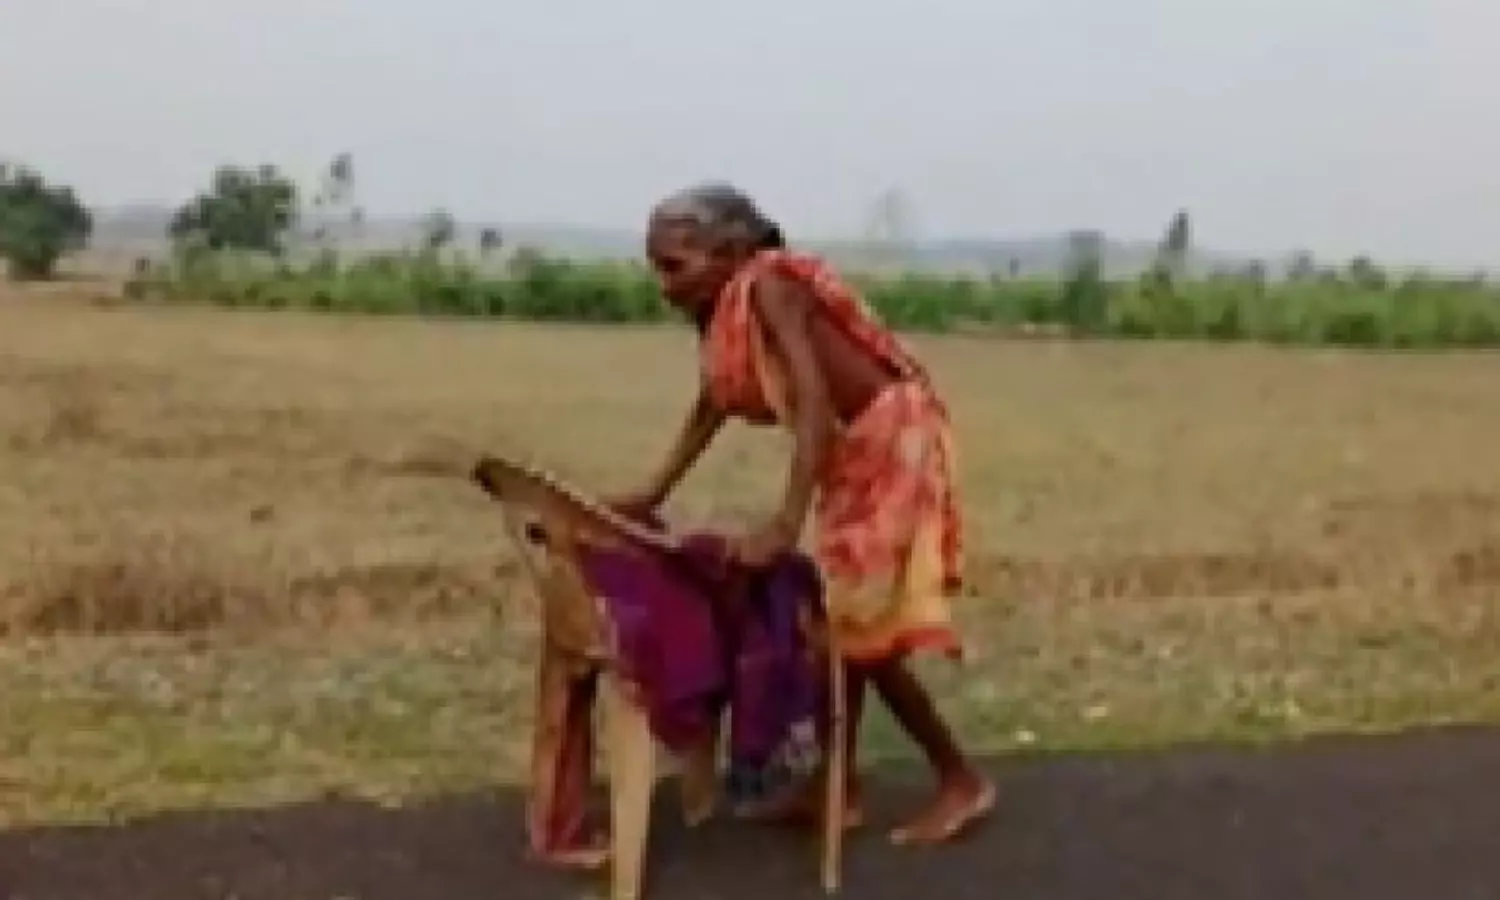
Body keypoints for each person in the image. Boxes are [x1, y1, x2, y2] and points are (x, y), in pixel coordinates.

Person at [609, 181, 995, 846]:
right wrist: (653, 490)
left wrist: (784, 524)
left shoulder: (769, 286)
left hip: (890, 439)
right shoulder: (727, 309)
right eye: (657, 269)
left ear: (730, 251)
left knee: (859, 631)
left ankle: (959, 779)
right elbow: (713, 402)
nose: (664, 286)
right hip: (856, 450)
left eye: (675, 266)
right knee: (847, 623)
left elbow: (814, 405)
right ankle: (837, 788)